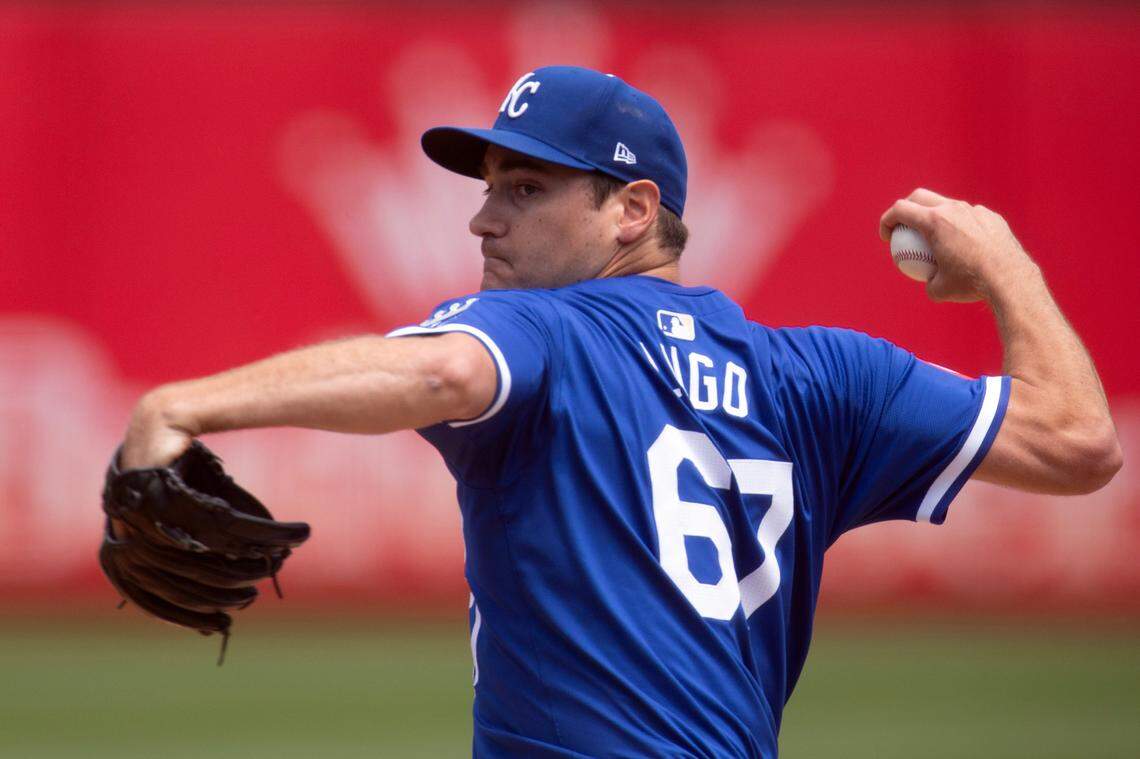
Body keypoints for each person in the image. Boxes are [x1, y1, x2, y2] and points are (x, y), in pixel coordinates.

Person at [119, 66, 1121, 757]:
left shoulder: (544, 333)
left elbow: (441, 378)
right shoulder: (821, 379)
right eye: (490, 184)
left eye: (526, 184)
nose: (483, 212)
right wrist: (1005, 267)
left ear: (633, 212)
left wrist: (184, 405)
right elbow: (1076, 442)